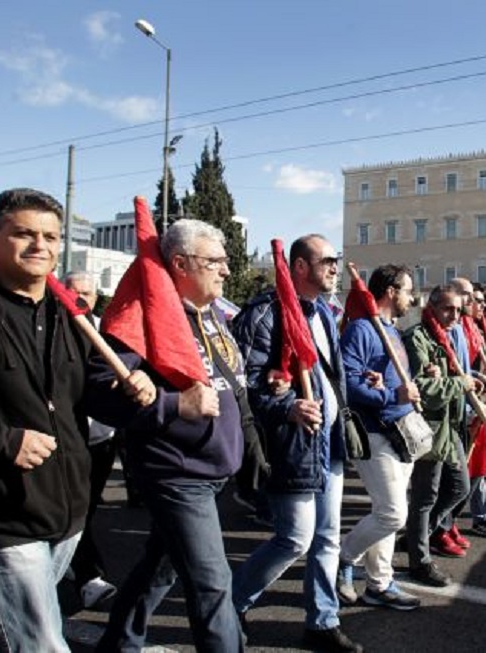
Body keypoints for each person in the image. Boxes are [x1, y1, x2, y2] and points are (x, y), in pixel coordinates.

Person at [0, 188, 153, 652]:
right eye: (23, 233)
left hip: (66, 512)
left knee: (2, 631)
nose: (39, 246)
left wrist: (129, 395)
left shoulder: (68, 311)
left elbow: (85, 396)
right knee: (40, 642)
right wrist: (4, 442)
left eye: (50, 236)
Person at [92, 219, 251, 651]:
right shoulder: (144, 317)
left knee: (160, 567)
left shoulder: (215, 313)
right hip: (176, 474)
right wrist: (173, 405)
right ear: (180, 263)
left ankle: (119, 643)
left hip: (215, 468)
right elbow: (97, 391)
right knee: (214, 585)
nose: (226, 270)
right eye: (215, 261)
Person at [231, 234, 364, 653]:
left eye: (336, 261)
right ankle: (230, 604)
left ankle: (322, 622)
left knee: (327, 538)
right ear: (301, 267)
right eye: (327, 261)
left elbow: (329, 374)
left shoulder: (324, 313)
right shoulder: (265, 313)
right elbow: (245, 384)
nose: (335, 268)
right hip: (291, 444)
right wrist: (287, 406)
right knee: (294, 539)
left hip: (328, 444)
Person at [337, 264, 422, 611]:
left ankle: (379, 583)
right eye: (407, 290)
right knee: (392, 514)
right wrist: (390, 396)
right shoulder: (361, 329)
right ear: (390, 292)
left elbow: (391, 380)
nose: (411, 297)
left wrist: (395, 388)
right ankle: (342, 557)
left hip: (402, 434)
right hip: (375, 433)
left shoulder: (391, 330)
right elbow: (348, 383)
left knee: (386, 511)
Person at [404, 284, 475, 586]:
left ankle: (418, 536)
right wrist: (460, 384)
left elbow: (455, 377)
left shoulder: (448, 337)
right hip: (429, 428)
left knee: (460, 488)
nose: (454, 315)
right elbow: (425, 392)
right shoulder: (417, 338)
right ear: (431, 308)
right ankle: (419, 560)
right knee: (425, 496)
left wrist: (468, 384)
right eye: (448, 308)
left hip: (451, 426)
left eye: (458, 309)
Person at [60, 271, 119, 609]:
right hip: (69, 437)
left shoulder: (105, 328)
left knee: (89, 506)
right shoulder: (54, 328)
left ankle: (67, 558)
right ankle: (88, 577)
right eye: (74, 290)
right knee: (77, 507)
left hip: (104, 436)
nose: (81, 297)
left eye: (88, 292)